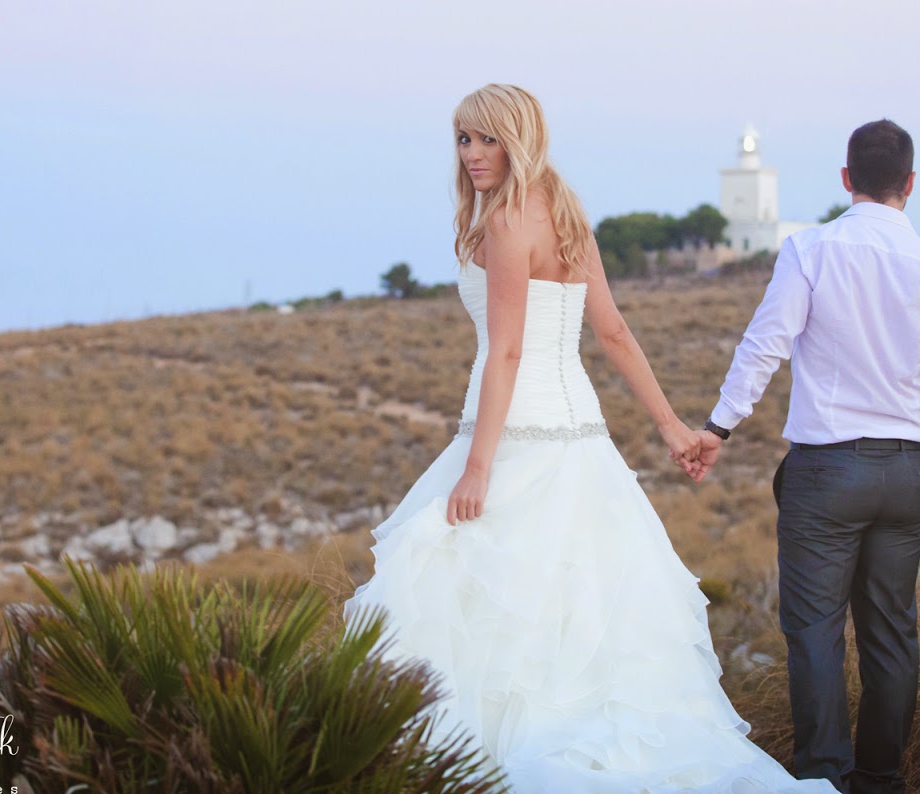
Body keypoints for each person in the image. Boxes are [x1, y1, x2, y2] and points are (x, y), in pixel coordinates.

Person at [344, 84, 835, 794]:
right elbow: (612, 332)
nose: (473, 154)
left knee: (483, 602)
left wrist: (479, 466)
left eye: (488, 138)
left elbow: (509, 352)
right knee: (569, 615)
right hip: (577, 441)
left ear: (522, 139)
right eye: (462, 139)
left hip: (518, 440)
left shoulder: (512, 221)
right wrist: (671, 427)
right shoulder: (564, 212)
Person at [690, 119, 920, 794]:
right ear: (910, 185)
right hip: (906, 471)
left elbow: (765, 344)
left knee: (815, 631)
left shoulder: (809, 251)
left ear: (846, 178)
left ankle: (823, 778)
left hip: (825, 472)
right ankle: (881, 779)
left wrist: (720, 426)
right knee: (891, 632)